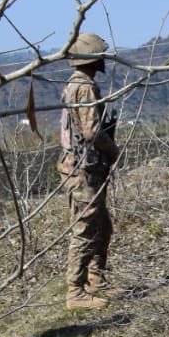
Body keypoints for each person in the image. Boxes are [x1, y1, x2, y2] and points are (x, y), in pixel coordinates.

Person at [60, 32, 120, 310]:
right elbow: (92, 131)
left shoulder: (78, 85)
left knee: (102, 226)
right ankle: (75, 291)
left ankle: (96, 279)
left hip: (87, 167)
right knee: (85, 228)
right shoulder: (84, 88)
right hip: (84, 168)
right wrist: (114, 150)